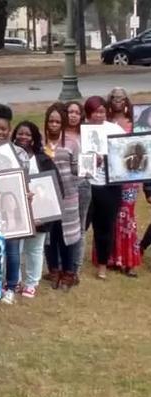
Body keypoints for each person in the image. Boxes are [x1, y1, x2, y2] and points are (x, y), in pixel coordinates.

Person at [0, 103, 28, 304]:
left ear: (10, 130)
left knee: (12, 248)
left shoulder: (19, 153)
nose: (0, 132)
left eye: (4, 129)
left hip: (13, 203)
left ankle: (11, 286)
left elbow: (26, 179)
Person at [12, 121, 57, 299]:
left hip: (39, 211)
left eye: (28, 134)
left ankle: (31, 283)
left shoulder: (43, 159)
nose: (23, 137)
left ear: (34, 138)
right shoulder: (8, 157)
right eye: (20, 133)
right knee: (15, 248)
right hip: (15, 211)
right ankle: (14, 280)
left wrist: (45, 215)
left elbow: (53, 186)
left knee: (35, 248)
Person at [84, 96, 126, 279]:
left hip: (108, 187)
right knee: (80, 226)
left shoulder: (115, 129)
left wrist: (106, 159)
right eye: (95, 111)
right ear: (88, 113)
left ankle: (102, 265)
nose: (99, 115)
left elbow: (125, 154)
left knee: (105, 227)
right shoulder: (81, 130)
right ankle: (70, 264)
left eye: (102, 111)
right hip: (86, 185)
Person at [101, 88, 141, 277]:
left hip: (130, 176)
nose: (117, 101)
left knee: (127, 216)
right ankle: (110, 257)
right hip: (108, 175)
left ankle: (128, 260)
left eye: (121, 98)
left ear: (126, 101)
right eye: (113, 98)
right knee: (110, 215)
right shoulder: (104, 123)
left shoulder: (134, 123)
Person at [43, 103, 80, 291]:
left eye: (57, 121)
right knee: (51, 236)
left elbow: (77, 169)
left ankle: (69, 272)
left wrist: (87, 166)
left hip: (68, 197)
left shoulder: (72, 143)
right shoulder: (40, 143)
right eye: (51, 121)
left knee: (68, 237)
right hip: (47, 198)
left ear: (62, 122)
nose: (54, 124)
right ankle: (54, 270)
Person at [64, 101, 90, 284]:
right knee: (60, 228)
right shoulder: (58, 134)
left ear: (81, 115)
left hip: (81, 184)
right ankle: (61, 266)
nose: (73, 115)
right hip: (62, 187)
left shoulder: (88, 135)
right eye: (69, 112)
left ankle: (76, 268)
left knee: (79, 228)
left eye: (76, 112)